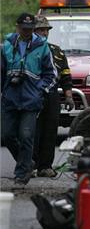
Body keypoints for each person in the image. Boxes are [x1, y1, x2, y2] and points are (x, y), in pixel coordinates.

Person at [1, 13, 56, 185]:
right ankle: (27, 163)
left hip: (31, 100)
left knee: (26, 135)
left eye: (30, 30)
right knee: (7, 135)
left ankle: (21, 174)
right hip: (10, 98)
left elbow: (51, 74)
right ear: (17, 28)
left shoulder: (42, 46)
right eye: (24, 29)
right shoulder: (7, 46)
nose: (27, 33)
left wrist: (39, 90)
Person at [32, 15, 74, 177]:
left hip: (52, 96)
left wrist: (68, 96)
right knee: (33, 131)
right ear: (33, 31)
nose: (44, 33)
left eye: (46, 30)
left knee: (50, 131)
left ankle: (45, 166)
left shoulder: (57, 51)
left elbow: (66, 76)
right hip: (33, 95)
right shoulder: (27, 50)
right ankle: (31, 164)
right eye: (40, 30)